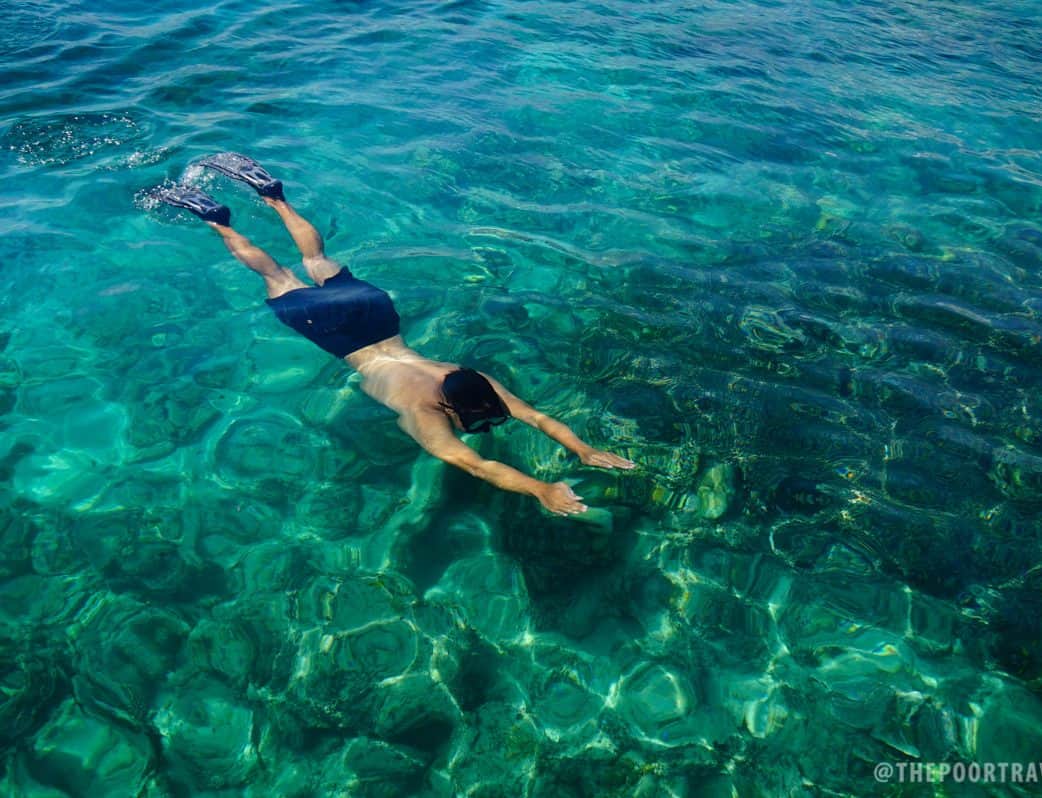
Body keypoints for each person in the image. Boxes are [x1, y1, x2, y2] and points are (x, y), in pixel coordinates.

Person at [153, 153, 635, 516]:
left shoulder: (467, 377)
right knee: (276, 275)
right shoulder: (423, 411)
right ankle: (215, 219)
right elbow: (478, 465)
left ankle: (273, 196)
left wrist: (583, 450)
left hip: (376, 315)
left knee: (317, 260)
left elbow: (536, 418)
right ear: (449, 407)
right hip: (345, 339)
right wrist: (541, 489)